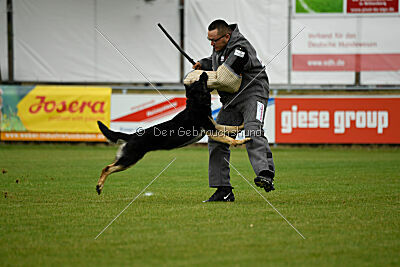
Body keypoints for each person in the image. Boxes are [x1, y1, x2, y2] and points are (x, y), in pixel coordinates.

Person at [192, 19, 275, 202]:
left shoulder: (240, 49)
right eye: (209, 41)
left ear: (227, 36)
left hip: (254, 94)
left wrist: (198, 79)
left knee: (253, 129)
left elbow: (224, 78)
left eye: (214, 41)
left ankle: (265, 173)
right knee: (216, 137)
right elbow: (218, 62)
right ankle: (224, 190)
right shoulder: (220, 47)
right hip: (231, 100)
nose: (212, 44)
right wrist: (203, 63)